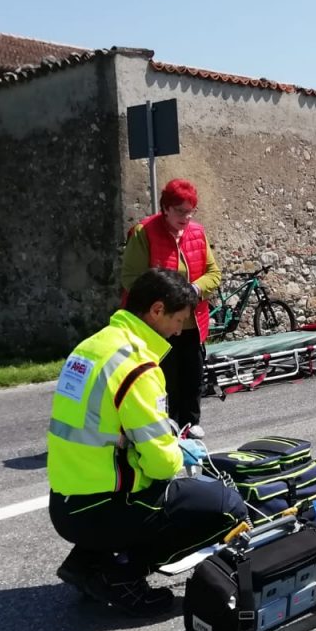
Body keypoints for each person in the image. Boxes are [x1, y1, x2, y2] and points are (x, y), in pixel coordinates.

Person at [46, 267, 247, 615]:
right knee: (227, 508)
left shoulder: (92, 346)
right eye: (179, 319)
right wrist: (178, 453)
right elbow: (161, 464)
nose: (179, 330)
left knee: (164, 492)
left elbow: (105, 423)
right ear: (156, 310)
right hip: (102, 504)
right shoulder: (137, 365)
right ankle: (122, 576)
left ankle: (87, 562)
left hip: (67, 501)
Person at [120, 179, 221, 439]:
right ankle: (164, 427)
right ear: (165, 208)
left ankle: (190, 423)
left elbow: (214, 273)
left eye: (190, 211)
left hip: (191, 322)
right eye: (180, 211)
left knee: (192, 376)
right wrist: (169, 296)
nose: (186, 217)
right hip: (159, 325)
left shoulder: (197, 233)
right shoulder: (144, 233)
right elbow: (131, 278)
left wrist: (195, 290)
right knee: (164, 379)